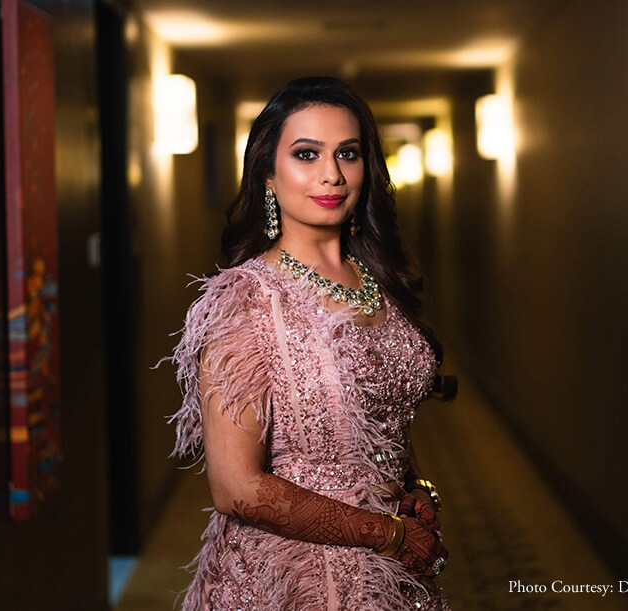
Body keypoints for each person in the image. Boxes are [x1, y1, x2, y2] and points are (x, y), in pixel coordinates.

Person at [167, 76, 456, 610]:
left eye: (348, 153)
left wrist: (415, 490)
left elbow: (378, 419)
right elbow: (235, 487)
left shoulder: (377, 280)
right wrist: (386, 534)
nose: (332, 174)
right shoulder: (247, 300)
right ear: (267, 174)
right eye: (306, 154)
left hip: (396, 573)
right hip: (294, 577)